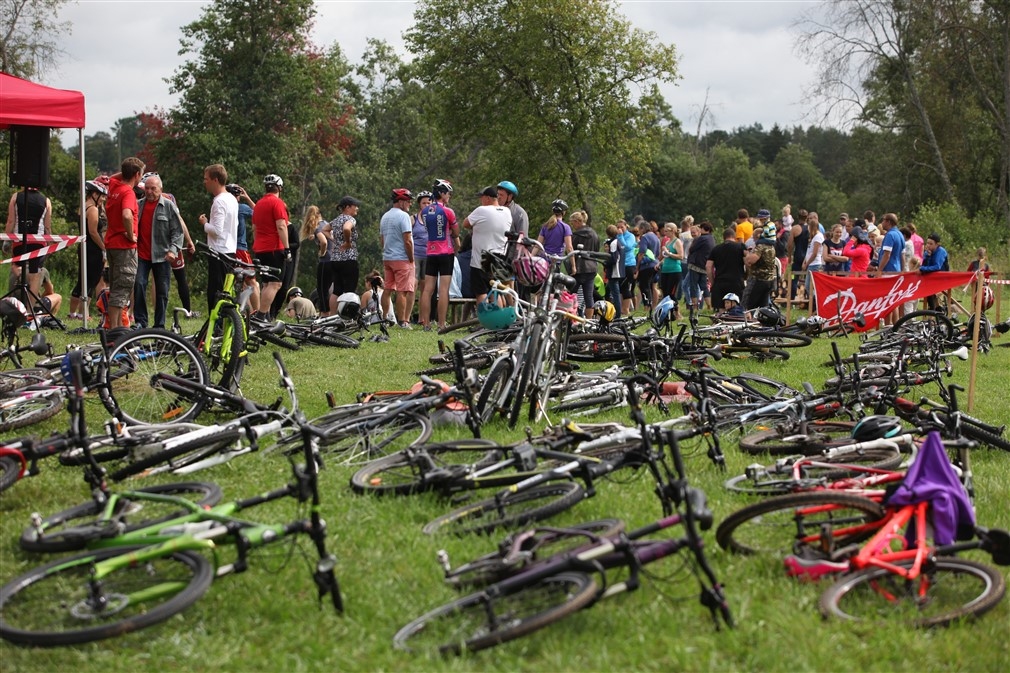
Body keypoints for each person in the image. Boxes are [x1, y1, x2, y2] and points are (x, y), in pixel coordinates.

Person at [133, 174, 184, 328]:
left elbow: (178, 231)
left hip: (162, 256)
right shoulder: (138, 205)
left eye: (153, 188)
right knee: (138, 284)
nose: (149, 191)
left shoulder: (168, 206)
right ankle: (141, 321)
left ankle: (159, 324)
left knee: (162, 290)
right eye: (147, 188)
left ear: (160, 189)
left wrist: (173, 250)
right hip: (141, 254)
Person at [103, 157, 145, 328]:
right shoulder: (128, 193)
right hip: (124, 246)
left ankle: (116, 326)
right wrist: (130, 234)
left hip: (111, 244)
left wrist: (129, 169)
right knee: (122, 289)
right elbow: (127, 214)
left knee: (115, 287)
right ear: (137, 175)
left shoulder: (114, 186)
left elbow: (112, 177)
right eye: (140, 175)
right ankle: (115, 330)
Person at [419, 179, 459, 330]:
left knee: (427, 289)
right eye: (448, 193)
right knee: (443, 290)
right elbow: (456, 232)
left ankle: (426, 324)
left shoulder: (424, 211)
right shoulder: (448, 211)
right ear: (442, 193)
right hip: (446, 252)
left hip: (431, 252)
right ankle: (441, 324)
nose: (449, 196)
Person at [199, 163, 238, 314]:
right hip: (231, 250)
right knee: (226, 290)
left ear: (215, 180)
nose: (204, 182)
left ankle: (215, 324)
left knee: (215, 291)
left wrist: (205, 224)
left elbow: (217, 231)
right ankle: (225, 321)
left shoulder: (219, 201)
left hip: (218, 252)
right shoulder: (232, 198)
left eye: (206, 179)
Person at [462, 186, 512, 305]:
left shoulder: (481, 210)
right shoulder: (507, 211)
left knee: (481, 292)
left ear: (488, 198)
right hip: (500, 257)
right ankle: (497, 321)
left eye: (482, 197)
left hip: (482, 257)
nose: (481, 201)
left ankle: (484, 320)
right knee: (495, 291)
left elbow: (465, 223)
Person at [251, 173, 290, 319]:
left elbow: (254, 228)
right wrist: (287, 249)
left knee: (267, 284)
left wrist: (257, 245)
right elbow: (281, 226)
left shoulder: (259, 204)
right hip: (274, 248)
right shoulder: (277, 203)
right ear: (279, 188)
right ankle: (261, 315)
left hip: (260, 249)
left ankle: (265, 314)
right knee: (275, 284)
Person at [68, 179, 108, 320]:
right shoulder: (93, 209)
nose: (103, 198)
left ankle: (73, 312)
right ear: (94, 194)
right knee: (92, 280)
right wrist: (104, 248)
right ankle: (82, 313)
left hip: (84, 246)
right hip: (93, 248)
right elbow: (93, 231)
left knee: (82, 279)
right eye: (102, 195)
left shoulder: (83, 207)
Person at [5, 186, 52, 300]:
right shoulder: (46, 201)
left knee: (16, 267)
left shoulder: (16, 197)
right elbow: (47, 226)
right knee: (35, 274)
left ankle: (16, 300)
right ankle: (30, 309)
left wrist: (6, 240)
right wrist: (49, 244)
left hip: (19, 240)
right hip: (38, 242)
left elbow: (11, 221)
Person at [379, 188, 416, 328]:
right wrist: (411, 258)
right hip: (402, 258)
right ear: (400, 202)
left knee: (388, 289)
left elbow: (382, 240)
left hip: (387, 257)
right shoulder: (403, 216)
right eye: (407, 201)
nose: (409, 204)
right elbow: (407, 240)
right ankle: (403, 321)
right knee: (402, 291)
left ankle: (384, 318)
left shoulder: (385, 216)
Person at [228, 183, 259, 316]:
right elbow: (259, 213)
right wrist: (247, 198)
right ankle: (258, 314)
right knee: (251, 281)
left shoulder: (224, 207)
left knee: (238, 283)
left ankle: (248, 314)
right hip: (240, 248)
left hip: (227, 249)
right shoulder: (241, 207)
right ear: (238, 196)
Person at [330, 195, 363, 302]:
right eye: (355, 206)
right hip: (348, 259)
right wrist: (348, 242)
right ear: (348, 207)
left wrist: (334, 240)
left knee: (336, 290)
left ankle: (333, 315)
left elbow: (324, 230)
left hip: (335, 259)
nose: (357, 208)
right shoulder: (350, 219)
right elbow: (346, 228)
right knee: (349, 290)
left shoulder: (336, 220)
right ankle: (346, 316)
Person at [707, 227, 745, 312]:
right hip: (736, 281)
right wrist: (746, 275)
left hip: (720, 282)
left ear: (724, 237)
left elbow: (708, 267)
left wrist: (713, 282)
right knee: (738, 309)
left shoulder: (716, 249)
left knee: (721, 310)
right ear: (734, 237)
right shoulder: (740, 247)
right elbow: (747, 263)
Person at [569, 210, 599, 317]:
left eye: (573, 223)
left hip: (578, 269)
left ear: (577, 221)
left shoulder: (576, 235)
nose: (573, 226)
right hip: (592, 269)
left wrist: (571, 267)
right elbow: (596, 251)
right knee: (589, 297)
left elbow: (570, 251)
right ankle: (589, 322)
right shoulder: (594, 234)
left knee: (570, 295)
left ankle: (570, 319)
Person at [743, 223, 778, 311]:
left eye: (754, 238)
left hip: (758, 279)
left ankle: (748, 320)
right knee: (763, 305)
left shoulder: (760, 247)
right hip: (769, 280)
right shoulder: (771, 247)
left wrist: (748, 254)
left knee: (748, 303)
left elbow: (751, 261)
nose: (753, 240)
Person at [683, 220, 714, 310]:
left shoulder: (701, 238)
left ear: (704, 229)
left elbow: (692, 249)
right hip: (704, 265)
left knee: (693, 286)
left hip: (696, 265)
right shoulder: (711, 238)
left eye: (701, 228)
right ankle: (709, 306)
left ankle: (695, 307)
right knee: (704, 286)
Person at [658, 222, 684, 319]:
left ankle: (677, 312)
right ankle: (669, 313)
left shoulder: (677, 242)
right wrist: (660, 262)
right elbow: (665, 257)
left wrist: (669, 253)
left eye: (667, 231)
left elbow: (681, 256)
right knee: (665, 293)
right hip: (665, 270)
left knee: (671, 293)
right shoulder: (667, 242)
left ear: (672, 231)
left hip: (674, 270)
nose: (665, 233)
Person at [411, 190, 431, 319]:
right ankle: (408, 315)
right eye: (424, 203)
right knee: (413, 285)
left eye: (429, 202)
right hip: (416, 254)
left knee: (426, 287)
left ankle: (423, 318)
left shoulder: (435, 219)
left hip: (429, 255)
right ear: (419, 204)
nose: (427, 205)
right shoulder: (413, 218)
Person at [919, 232, 949, 311]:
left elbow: (937, 266)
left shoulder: (941, 252)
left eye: (931, 244)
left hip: (942, 279)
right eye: (927, 243)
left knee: (930, 292)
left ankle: (935, 310)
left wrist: (922, 269)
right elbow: (925, 264)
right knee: (928, 292)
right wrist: (927, 257)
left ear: (937, 244)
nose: (928, 245)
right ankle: (935, 310)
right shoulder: (927, 252)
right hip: (931, 279)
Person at [800, 212, 825, 302]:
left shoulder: (818, 237)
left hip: (815, 264)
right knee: (808, 286)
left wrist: (807, 264)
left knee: (810, 286)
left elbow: (814, 254)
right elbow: (808, 252)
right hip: (810, 264)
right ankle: (814, 302)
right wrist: (804, 261)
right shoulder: (813, 237)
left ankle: (816, 302)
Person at [636, 220, 661, 309]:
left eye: (640, 229)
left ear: (643, 228)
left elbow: (641, 253)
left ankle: (647, 306)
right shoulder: (656, 237)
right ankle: (654, 306)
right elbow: (658, 253)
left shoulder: (644, 237)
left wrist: (637, 266)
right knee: (652, 286)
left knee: (644, 286)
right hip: (655, 264)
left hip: (646, 265)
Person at [603, 224, 626, 319]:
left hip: (614, 271)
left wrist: (605, 263)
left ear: (608, 234)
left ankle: (618, 315)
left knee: (615, 293)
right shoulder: (619, 241)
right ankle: (610, 309)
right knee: (609, 290)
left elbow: (613, 258)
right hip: (620, 269)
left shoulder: (613, 243)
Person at [616, 220, 638, 314]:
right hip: (620, 264)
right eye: (618, 227)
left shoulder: (630, 236)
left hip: (629, 264)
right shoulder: (617, 236)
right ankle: (622, 308)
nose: (620, 229)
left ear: (626, 226)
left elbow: (627, 247)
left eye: (622, 227)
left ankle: (626, 309)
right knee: (621, 287)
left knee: (626, 287)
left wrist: (620, 236)